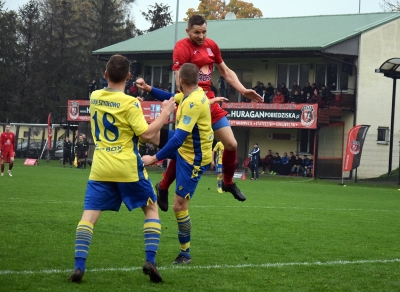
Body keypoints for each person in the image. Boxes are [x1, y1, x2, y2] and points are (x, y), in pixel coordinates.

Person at [68, 54, 176, 283]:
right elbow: (147, 134)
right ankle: (150, 261)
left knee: (89, 217)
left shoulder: (95, 96)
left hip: (100, 167)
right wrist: (165, 112)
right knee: (151, 209)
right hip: (127, 167)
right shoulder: (131, 103)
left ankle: (79, 266)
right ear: (128, 77)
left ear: (105, 74)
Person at [142, 14, 262, 212]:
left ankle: (228, 182)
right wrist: (198, 101)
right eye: (197, 32)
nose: (201, 35)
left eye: (204, 31)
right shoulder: (181, 48)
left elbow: (225, 71)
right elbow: (180, 82)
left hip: (210, 103)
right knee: (184, 150)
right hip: (192, 104)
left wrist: (243, 90)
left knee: (232, 143)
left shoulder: (211, 46)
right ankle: (163, 186)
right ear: (188, 31)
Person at [141, 63, 213, 265]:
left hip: (194, 159)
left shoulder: (194, 103)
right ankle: (161, 186)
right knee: (149, 134)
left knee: (179, 206)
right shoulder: (190, 94)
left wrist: (155, 159)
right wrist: (148, 89)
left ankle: (185, 254)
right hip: (187, 147)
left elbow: (178, 139)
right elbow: (170, 98)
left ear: (180, 80)